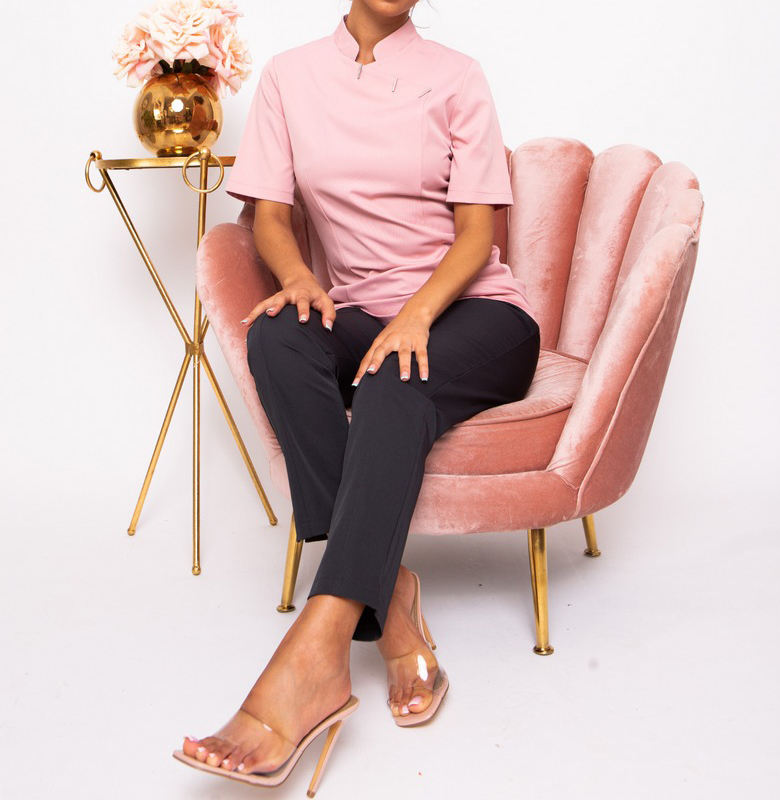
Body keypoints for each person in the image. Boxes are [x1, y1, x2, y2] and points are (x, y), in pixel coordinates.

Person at [176, 0, 540, 788]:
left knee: (392, 374)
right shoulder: (289, 78)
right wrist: (300, 280)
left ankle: (316, 655)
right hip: (360, 310)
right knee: (276, 337)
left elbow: (478, 235)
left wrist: (414, 318)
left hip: (478, 315)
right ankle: (391, 594)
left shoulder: (457, 77)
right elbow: (270, 217)